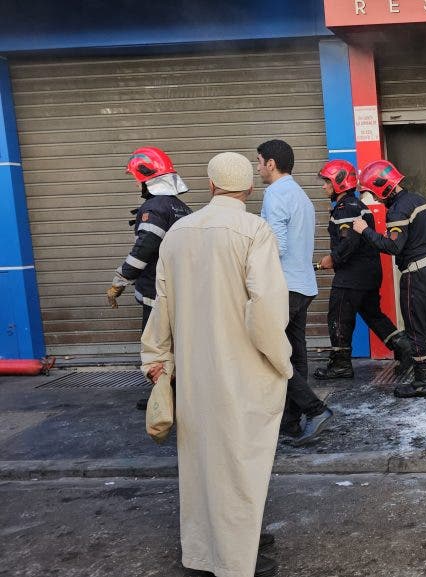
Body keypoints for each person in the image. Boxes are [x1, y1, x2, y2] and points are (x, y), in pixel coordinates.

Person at [141, 151, 291, 577]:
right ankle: (237, 557)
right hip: (244, 368)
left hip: (194, 372)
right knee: (242, 460)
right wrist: (282, 362)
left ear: (210, 185)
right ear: (248, 188)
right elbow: (265, 309)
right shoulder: (254, 230)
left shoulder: (178, 233)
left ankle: (204, 552)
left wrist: (156, 358)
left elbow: (161, 305)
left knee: (202, 462)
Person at [352, 159, 426, 398]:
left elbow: (394, 246)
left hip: (417, 275)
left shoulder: (397, 210)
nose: (375, 198)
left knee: (416, 328)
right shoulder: (420, 200)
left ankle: (422, 382)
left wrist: (364, 230)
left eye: (373, 193)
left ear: (383, 187)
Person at [256, 139, 333, 445]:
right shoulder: (300, 194)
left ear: (271, 164)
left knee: (271, 356)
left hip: (284, 288)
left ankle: (315, 410)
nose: (258, 168)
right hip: (303, 286)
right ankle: (290, 423)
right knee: (295, 356)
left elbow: (277, 246)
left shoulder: (275, 194)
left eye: (259, 162)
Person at [312, 159, 414, 380]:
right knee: (373, 315)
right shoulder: (358, 206)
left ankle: (340, 365)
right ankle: (405, 349)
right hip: (368, 273)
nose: (324, 186)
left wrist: (333, 259)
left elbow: (349, 242)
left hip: (351, 276)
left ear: (339, 181)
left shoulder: (345, 208)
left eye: (327, 181)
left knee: (338, 316)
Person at [106, 146, 192, 410]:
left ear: (145, 179)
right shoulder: (181, 207)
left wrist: (118, 282)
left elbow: (144, 248)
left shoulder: (154, 208)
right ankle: (179, 397)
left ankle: (164, 401)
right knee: (177, 345)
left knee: (157, 347)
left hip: (157, 292)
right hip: (180, 289)